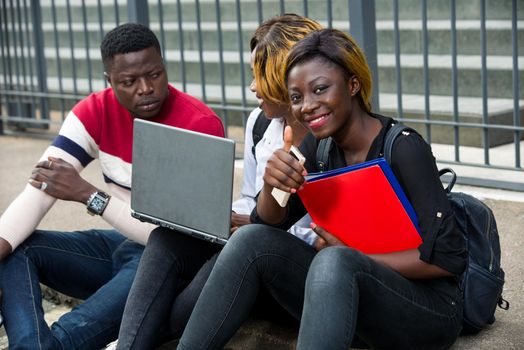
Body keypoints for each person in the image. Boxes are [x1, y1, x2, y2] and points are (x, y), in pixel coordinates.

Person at [177, 28, 467, 350]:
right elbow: (269, 225)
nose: (307, 106)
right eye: (297, 97)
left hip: (426, 309)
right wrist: (274, 185)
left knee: (334, 260)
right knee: (251, 239)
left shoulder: (403, 147)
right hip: (351, 293)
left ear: (353, 85)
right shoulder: (320, 147)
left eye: (320, 89)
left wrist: (355, 256)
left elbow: (447, 259)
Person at [0, 23, 224, 350]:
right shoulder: (94, 111)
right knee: (15, 248)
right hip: (118, 247)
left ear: (164, 67)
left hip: (168, 266)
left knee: (66, 338)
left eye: (155, 74)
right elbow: (39, 190)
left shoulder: (199, 125)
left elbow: (176, 239)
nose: (145, 88)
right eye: (129, 82)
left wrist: (89, 195)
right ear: (110, 81)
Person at [115, 14, 322, 349]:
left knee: (227, 260)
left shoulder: (327, 135)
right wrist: (219, 218)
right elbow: (249, 199)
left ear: (290, 77)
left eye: (260, 77)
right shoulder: (260, 123)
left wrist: (251, 223)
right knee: (166, 238)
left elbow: (314, 229)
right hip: (251, 245)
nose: (253, 87)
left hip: (291, 271)